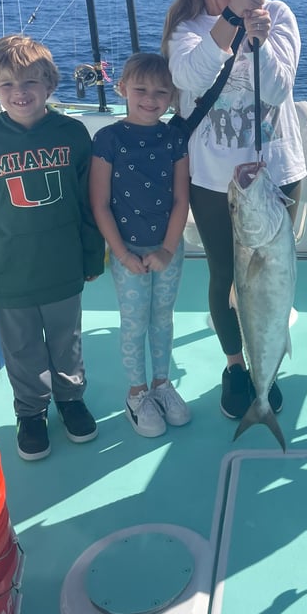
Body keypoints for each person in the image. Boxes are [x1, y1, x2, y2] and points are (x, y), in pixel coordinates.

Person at [161, 0, 306, 422]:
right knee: (227, 274)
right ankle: (235, 365)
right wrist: (233, 23)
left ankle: (269, 363)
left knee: (275, 276)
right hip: (213, 179)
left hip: (276, 169)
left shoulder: (278, 13)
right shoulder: (183, 28)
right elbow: (191, 77)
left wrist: (257, 37)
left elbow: (281, 88)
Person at [0, 35, 104, 461]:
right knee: (22, 348)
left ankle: (70, 400)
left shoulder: (73, 133)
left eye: (30, 81)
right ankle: (30, 412)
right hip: (6, 272)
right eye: (6, 84)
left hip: (62, 266)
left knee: (67, 341)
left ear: (50, 83)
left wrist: (90, 255)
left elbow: (87, 202)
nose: (19, 92)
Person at [89, 53, 191, 438]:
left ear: (172, 96)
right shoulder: (108, 139)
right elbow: (99, 203)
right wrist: (122, 253)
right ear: (122, 90)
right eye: (141, 90)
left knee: (162, 318)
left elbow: (181, 199)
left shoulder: (174, 138)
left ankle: (162, 384)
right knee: (134, 324)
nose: (151, 98)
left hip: (168, 250)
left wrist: (166, 248)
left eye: (161, 92)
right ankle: (137, 393)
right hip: (125, 249)